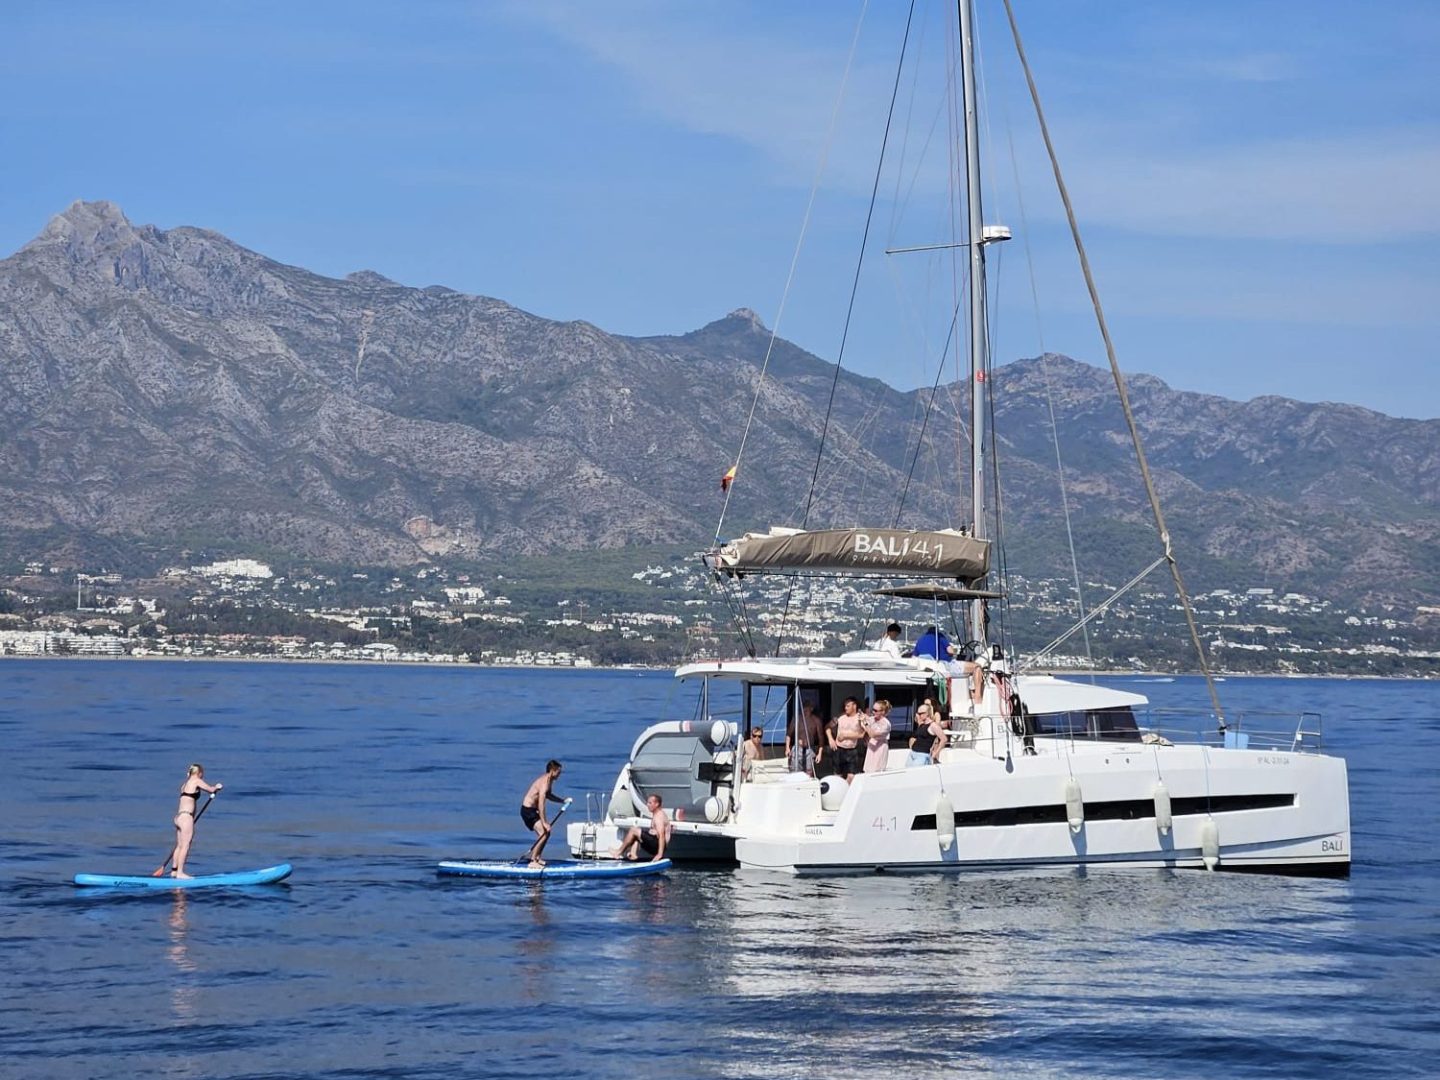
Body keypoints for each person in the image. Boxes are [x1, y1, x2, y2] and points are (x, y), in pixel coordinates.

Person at [170, 763, 222, 879]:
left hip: (178, 817)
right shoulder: (196, 781)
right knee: (185, 845)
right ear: (199, 773)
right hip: (186, 818)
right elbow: (210, 789)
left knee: (179, 845)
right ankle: (180, 873)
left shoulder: (184, 785)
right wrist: (217, 787)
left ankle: (174, 871)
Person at [520, 760, 569, 868]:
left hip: (532, 810)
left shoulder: (550, 781)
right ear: (552, 771)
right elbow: (541, 804)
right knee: (544, 832)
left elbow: (549, 795)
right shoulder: (544, 782)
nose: (559, 775)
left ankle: (537, 857)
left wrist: (563, 801)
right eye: (558, 772)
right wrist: (545, 822)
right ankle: (533, 861)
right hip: (527, 811)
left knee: (546, 833)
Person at [613, 793, 670, 862]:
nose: (647, 805)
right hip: (654, 843)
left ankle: (618, 852)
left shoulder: (659, 816)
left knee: (634, 830)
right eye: (647, 803)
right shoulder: (657, 814)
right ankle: (633, 854)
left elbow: (661, 835)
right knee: (637, 833)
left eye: (650, 803)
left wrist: (659, 854)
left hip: (657, 846)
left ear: (656, 804)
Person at [829, 697, 865, 782]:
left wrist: (846, 736)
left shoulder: (859, 718)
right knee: (837, 776)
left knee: (851, 777)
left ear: (854, 706)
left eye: (848, 706)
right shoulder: (840, 717)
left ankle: (847, 791)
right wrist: (831, 739)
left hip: (851, 750)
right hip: (839, 749)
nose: (845, 708)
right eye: (845, 706)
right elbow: (827, 727)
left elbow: (862, 734)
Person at [786, 702, 825, 776]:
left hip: (809, 748)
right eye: (804, 708)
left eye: (807, 708)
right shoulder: (797, 718)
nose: (805, 710)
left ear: (811, 709)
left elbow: (821, 738)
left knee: (809, 772)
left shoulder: (816, 720)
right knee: (795, 770)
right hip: (798, 748)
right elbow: (789, 734)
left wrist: (820, 753)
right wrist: (787, 748)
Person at [907, 702, 944, 766]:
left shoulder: (933, 725)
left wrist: (936, 753)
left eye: (920, 714)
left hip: (922, 755)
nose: (918, 715)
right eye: (917, 714)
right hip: (913, 753)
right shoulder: (922, 724)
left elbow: (944, 739)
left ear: (927, 714)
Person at [862, 700, 892, 773]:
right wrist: (862, 718)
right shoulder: (872, 719)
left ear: (883, 712)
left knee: (876, 771)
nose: (873, 712)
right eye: (873, 709)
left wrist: (865, 723)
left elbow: (873, 734)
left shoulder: (886, 724)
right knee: (868, 770)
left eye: (875, 710)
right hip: (871, 747)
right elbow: (864, 726)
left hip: (880, 748)